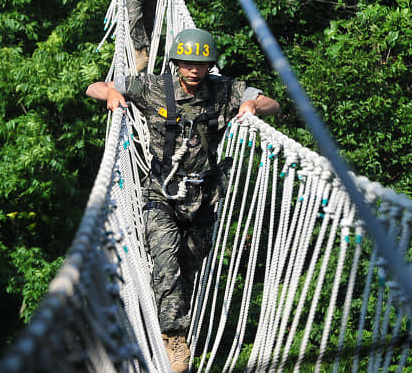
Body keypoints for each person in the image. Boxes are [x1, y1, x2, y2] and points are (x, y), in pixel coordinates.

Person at [85, 28, 280, 373]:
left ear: (210, 66)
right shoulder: (155, 88)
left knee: (189, 268)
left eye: (202, 64)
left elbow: (272, 103)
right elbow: (94, 87)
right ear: (177, 63)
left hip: (204, 198)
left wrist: (251, 104)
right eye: (188, 63)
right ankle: (173, 337)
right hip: (161, 192)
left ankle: (177, 324)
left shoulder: (224, 90)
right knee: (166, 260)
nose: (194, 70)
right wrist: (111, 94)